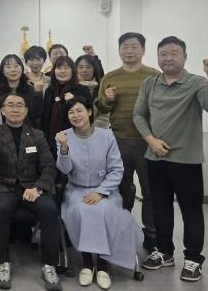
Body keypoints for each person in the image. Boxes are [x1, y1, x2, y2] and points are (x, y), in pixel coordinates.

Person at [134, 36, 208, 282]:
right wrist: (151, 140)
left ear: (185, 56)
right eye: (163, 54)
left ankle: (193, 258)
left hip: (186, 161)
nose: (168, 58)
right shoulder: (150, 84)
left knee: (191, 212)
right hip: (156, 158)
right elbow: (139, 114)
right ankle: (165, 252)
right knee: (160, 209)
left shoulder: (197, 83)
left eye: (174, 53)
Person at [56, 96, 143, 290]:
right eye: (71, 112)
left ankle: (103, 265)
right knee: (83, 210)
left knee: (106, 211)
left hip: (106, 189)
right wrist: (64, 148)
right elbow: (64, 169)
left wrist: (101, 192)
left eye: (79, 110)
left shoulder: (107, 136)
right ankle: (87, 263)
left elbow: (116, 169)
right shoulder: (62, 136)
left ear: (89, 112)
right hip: (76, 189)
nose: (76, 115)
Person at [0, 92, 61, 291]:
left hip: (31, 187)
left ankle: (49, 265)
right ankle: (2, 263)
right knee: (1, 209)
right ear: (3, 110)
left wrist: (38, 188)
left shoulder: (37, 135)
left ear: (26, 110)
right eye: (10, 105)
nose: (15, 109)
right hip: (3, 187)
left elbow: (49, 166)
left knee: (50, 209)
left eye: (19, 105)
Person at [96, 32, 159, 251]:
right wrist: (108, 99)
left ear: (143, 49)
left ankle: (151, 236)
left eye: (134, 46)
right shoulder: (110, 76)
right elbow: (100, 108)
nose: (129, 51)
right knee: (122, 189)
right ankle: (121, 229)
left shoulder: (154, 76)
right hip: (118, 141)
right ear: (119, 50)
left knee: (150, 191)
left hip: (147, 142)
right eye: (124, 46)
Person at [41, 56, 92, 157]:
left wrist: (74, 100)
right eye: (59, 68)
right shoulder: (49, 91)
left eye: (66, 68)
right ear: (54, 71)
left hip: (76, 140)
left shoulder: (82, 90)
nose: (62, 71)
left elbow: (90, 116)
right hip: (51, 141)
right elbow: (45, 118)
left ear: (73, 70)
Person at [0, 54, 44, 128]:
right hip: (2, 131)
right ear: (2, 70)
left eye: (16, 66)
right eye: (8, 67)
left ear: (22, 69)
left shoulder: (30, 89)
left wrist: (38, 93)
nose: (13, 70)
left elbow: (36, 114)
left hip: (27, 131)